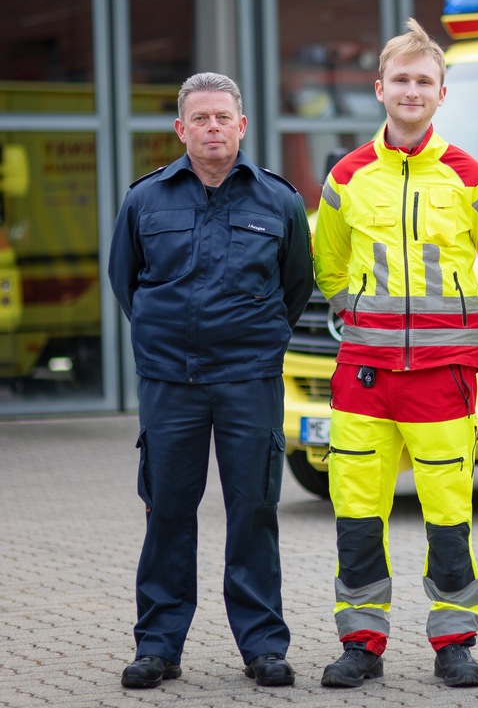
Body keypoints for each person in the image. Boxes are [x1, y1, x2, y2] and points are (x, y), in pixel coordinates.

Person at [312, 18, 478, 689]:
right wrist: (358, 312)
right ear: (379, 88)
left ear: (442, 93)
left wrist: (473, 330)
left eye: (423, 81)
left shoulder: (470, 177)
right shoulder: (346, 177)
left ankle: (455, 643)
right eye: (400, 79)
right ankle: (362, 645)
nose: (412, 90)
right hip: (365, 380)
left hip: (442, 380)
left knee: (448, 518)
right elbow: (327, 267)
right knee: (356, 516)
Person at [108, 72, 314, 689]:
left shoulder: (278, 201)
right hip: (171, 382)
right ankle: (158, 645)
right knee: (168, 509)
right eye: (200, 119)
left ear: (242, 125)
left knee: (253, 509)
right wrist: (165, 341)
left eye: (223, 117)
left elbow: (296, 286)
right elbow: (127, 283)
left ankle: (262, 647)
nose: (213, 127)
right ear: (181, 129)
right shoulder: (145, 200)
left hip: (249, 379)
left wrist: (256, 341)